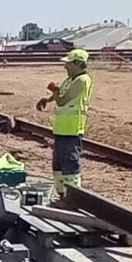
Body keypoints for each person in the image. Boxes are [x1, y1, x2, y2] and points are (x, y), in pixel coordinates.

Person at [36, 48, 94, 195]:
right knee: (59, 163)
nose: (65, 66)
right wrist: (48, 99)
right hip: (62, 128)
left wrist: (54, 93)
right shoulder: (70, 79)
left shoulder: (82, 81)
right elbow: (60, 94)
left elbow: (62, 100)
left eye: (68, 64)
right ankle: (61, 193)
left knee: (69, 162)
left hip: (72, 128)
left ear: (78, 63)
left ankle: (73, 196)